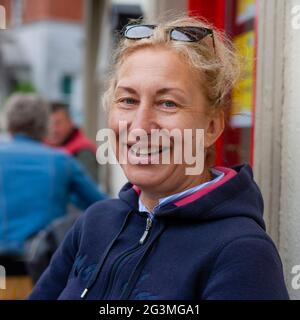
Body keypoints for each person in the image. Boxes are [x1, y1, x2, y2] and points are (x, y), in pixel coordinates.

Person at [29, 15, 289, 300]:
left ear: (212, 127)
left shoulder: (242, 252)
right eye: (128, 100)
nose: (140, 127)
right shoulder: (94, 223)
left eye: (168, 103)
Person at [0, 93, 106, 258]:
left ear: (9, 125)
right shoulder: (61, 161)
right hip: (42, 262)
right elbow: (100, 205)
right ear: (44, 125)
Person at [47, 102, 98, 181]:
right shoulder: (41, 147)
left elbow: (87, 187)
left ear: (70, 123)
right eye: (49, 124)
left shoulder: (84, 151)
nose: (54, 129)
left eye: (58, 123)